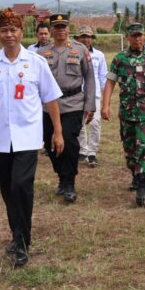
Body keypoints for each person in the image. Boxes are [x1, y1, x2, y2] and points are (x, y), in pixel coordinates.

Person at [0, 8, 65, 267]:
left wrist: (58, 132)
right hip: (0, 140)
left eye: (14, 30)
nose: (9, 35)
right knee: (8, 191)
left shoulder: (36, 63)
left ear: (21, 32)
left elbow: (50, 99)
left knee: (21, 186)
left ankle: (21, 241)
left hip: (28, 138)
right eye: (4, 30)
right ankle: (18, 235)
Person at [101, 22, 145, 207]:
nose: (138, 39)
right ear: (128, 38)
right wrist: (105, 105)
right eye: (134, 36)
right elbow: (110, 83)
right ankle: (135, 174)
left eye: (140, 35)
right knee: (130, 150)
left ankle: (143, 183)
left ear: (144, 37)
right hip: (127, 114)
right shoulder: (119, 59)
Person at [38, 14, 96, 202]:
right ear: (52, 30)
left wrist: (90, 105)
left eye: (64, 26)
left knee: (69, 142)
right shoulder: (41, 53)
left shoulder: (80, 50)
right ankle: (62, 177)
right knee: (50, 142)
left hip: (73, 103)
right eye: (57, 27)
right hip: (48, 106)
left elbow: (89, 78)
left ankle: (69, 182)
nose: (61, 30)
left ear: (68, 29)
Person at [75, 26, 108, 167]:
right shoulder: (74, 53)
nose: (86, 39)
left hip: (94, 95)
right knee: (80, 123)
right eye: (83, 36)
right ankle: (83, 150)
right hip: (77, 93)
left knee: (95, 123)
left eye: (88, 37)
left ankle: (92, 152)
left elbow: (103, 77)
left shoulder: (99, 55)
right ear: (78, 38)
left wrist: (104, 98)